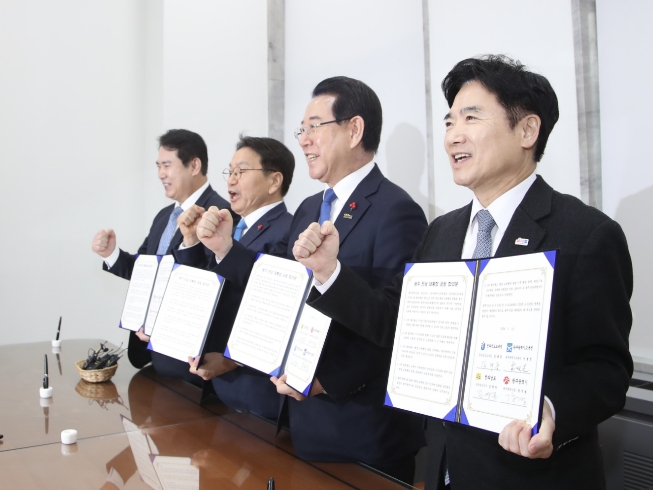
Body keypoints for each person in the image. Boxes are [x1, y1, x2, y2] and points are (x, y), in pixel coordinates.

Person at [294, 56, 633, 489]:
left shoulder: (586, 233)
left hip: (531, 475)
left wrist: (551, 410)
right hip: (444, 468)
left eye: (471, 118)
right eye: (449, 122)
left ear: (527, 130)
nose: (453, 135)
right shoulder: (443, 232)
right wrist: (329, 272)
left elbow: (606, 368)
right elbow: (392, 323)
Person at [183, 76, 428, 483]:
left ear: (354, 130)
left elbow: (398, 323)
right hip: (299, 420)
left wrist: (323, 381)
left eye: (314, 127)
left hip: (360, 431)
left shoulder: (396, 210)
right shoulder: (311, 207)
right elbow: (276, 285)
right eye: (302, 130)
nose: (304, 140)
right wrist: (225, 247)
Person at [91, 128, 237, 375]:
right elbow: (144, 270)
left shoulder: (220, 215)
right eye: (158, 166)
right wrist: (112, 254)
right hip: (151, 352)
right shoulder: (164, 216)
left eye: (167, 165)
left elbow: (214, 284)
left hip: (188, 360)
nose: (161, 174)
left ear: (194, 166)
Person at [173, 135, 295, 419]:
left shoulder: (288, 230)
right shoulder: (229, 225)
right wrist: (190, 240)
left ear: (274, 181)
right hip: (217, 390)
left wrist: (232, 361)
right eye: (229, 172)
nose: (230, 180)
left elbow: (277, 308)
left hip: (258, 393)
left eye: (241, 172)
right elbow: (204, 287)